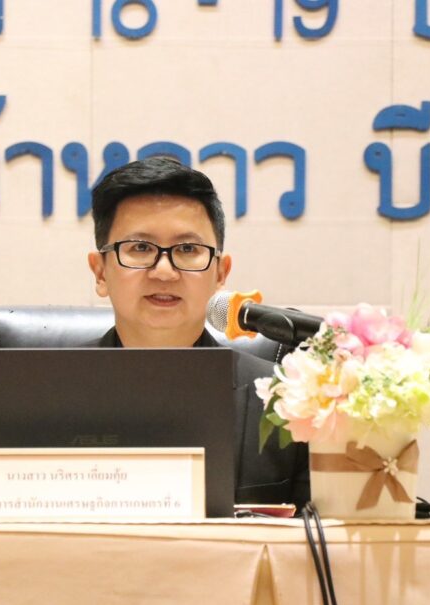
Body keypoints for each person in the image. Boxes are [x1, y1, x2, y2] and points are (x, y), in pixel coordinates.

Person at [86, 156, 309, 510]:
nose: (164, 271)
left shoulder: (290, 399)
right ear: (100, 273)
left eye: (188, 249)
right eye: (140, 248)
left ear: (221, 274)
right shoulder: (43, 393)